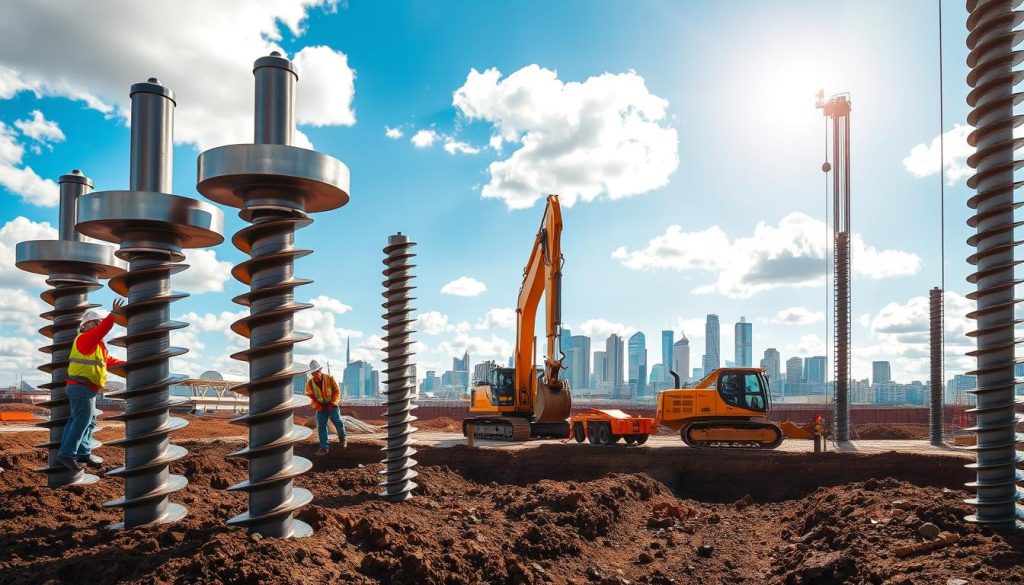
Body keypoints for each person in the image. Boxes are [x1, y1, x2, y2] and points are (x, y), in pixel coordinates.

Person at [58, 299, 125, 471]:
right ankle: (67, 454)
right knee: (81, 421)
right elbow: (102, 331)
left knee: (88, 421)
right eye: (95, 323)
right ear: (85, 326)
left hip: (87, 389)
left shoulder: (96, 346)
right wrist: (113, 314)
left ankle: (83, 454)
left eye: (98, 323)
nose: (98, 326)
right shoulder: (85, 339)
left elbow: (107, 361)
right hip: (80, 387)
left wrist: (126, 364)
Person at [305, 360, 346, 455]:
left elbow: (337, 392)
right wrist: (318, 406)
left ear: (320, 370)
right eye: (313, 373)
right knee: (321, 426)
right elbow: (310, 397)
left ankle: (342, 439)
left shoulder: (330, 378)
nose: (315, 374)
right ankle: (324, 448)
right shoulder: (310, 384)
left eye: (316, 372)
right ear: (311, 373)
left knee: (338, 421)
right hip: (321, 408)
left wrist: (333, 403)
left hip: (332, 405)